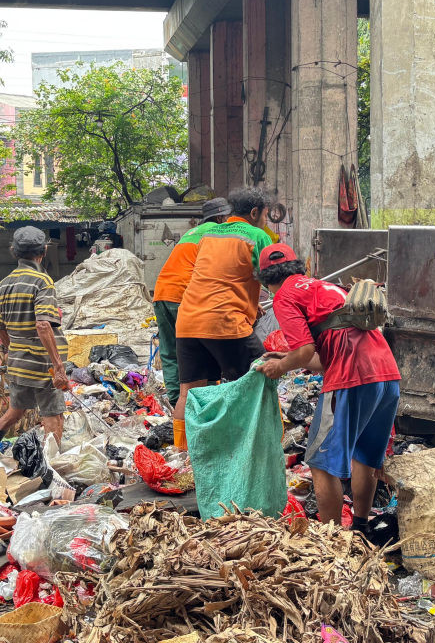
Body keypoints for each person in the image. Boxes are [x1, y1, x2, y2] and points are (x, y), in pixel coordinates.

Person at [253, 243, 401, 533]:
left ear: (266, 280)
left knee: (320, 464)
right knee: (365, 456)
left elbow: (305, 350)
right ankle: (360, 528)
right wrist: (287, 358)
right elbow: (321, 356)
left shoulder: (284, 295)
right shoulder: (324, 287)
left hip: (351, 376)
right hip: (385, 373)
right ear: (297, 268)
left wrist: (280, 367)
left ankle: (331, 540)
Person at [172, 187, 273, 447]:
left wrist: (249, 304)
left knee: (189, 392)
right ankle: (255, 447)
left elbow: (219, 277)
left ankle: (181, 453)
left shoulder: (209, 235)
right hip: (225, 322)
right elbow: (274, 279)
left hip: (189, 321)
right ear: (254, 212)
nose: (265, 221)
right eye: (265, 215)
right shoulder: (256, 236)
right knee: (261, 376)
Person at [0, 226, 69, 444]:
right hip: (43, 365)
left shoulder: (4, 283)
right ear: (44, 251)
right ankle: (50, 463)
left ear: (14, 251)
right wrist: (58, 366)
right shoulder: (42, 281)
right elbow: (43, 325)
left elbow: (0, 328)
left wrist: (14, 350)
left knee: (13, 413)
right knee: (53, 416)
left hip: (18, 363)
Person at [152, 197, 232, 408]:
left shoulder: (191, 233)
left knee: (170, 350)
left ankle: (175, 400)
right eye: (229, 217)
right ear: (221, 218)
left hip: (162, 293)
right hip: (185, 296)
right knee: (202, 348)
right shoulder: (218, 233)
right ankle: (204, 400)